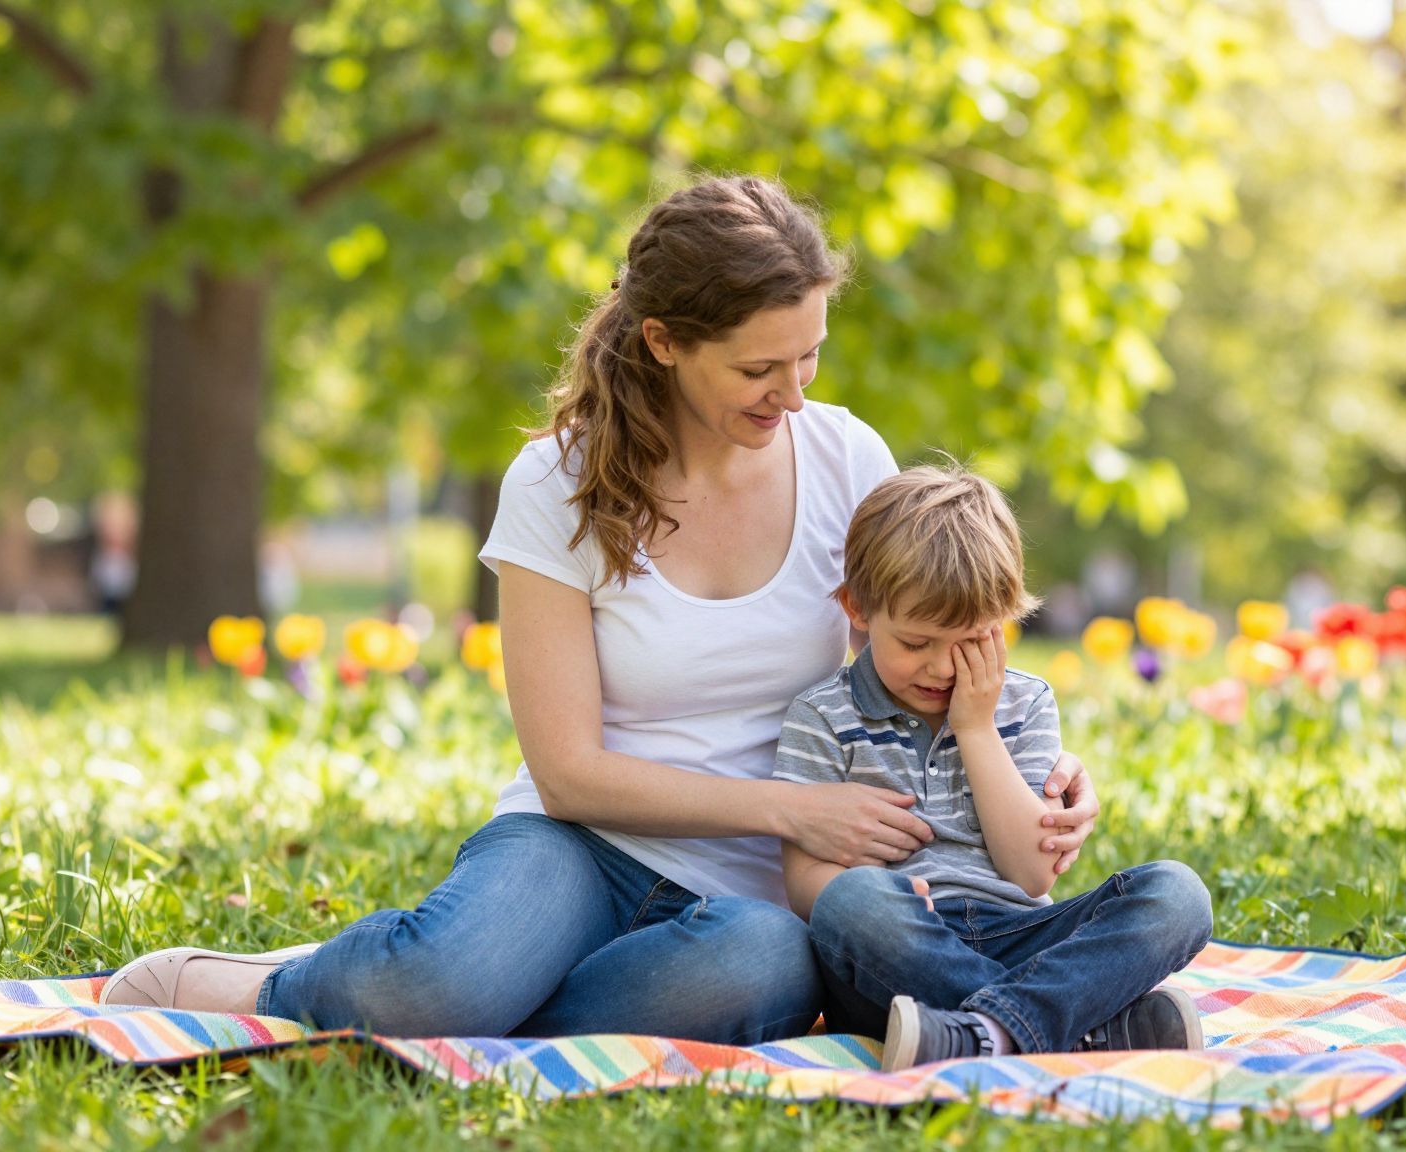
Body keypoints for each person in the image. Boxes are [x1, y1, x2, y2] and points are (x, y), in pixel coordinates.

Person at [99, 175, 1103, 1043]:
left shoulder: (848, 462)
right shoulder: (556, 483)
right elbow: (567, 771)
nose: (792, 395)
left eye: (809, 357)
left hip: (765, 894)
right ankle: (299, 983)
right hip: (580, 844)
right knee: (430, 985)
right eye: (758, 368)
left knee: (756, 968)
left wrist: (1029, 764)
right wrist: (787, 804)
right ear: (663, 340)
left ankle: (483, 996)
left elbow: (920, 651)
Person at [776, 467, 1213, 1070]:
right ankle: (1075, 1027)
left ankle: (980, 1034)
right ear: (858, 608)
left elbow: (1031, 875)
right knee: (852, 902)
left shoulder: (1025, 703)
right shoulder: (821, 716)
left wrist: (977, 727)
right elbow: (805, 887)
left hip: (1022, 936)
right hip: (901, 958)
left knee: (1177, 894)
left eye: (968, 643)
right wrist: (885, 895)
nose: (941, 668)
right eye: (915, 643)